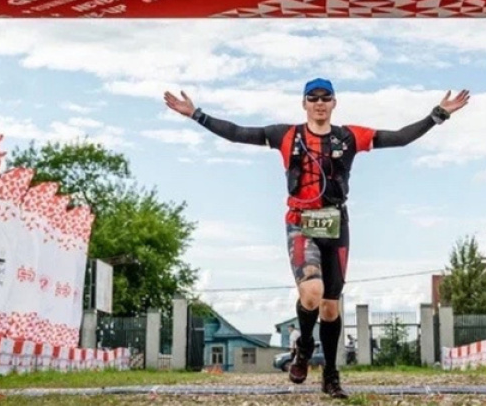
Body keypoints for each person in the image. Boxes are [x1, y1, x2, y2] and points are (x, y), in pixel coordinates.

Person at [163, 78, 469, 398]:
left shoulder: (349, 137)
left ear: (334, 103)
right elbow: (238, 132)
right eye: (313, 97)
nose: (319, 103)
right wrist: (196, 114)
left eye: (325, 98)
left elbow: (400, 138)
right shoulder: (287, 135)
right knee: (311, 293)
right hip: (301, 223)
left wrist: (438, 114)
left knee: (330, 308)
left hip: (336, 224)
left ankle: (331, 375)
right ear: (304, 103)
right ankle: (305, 346)